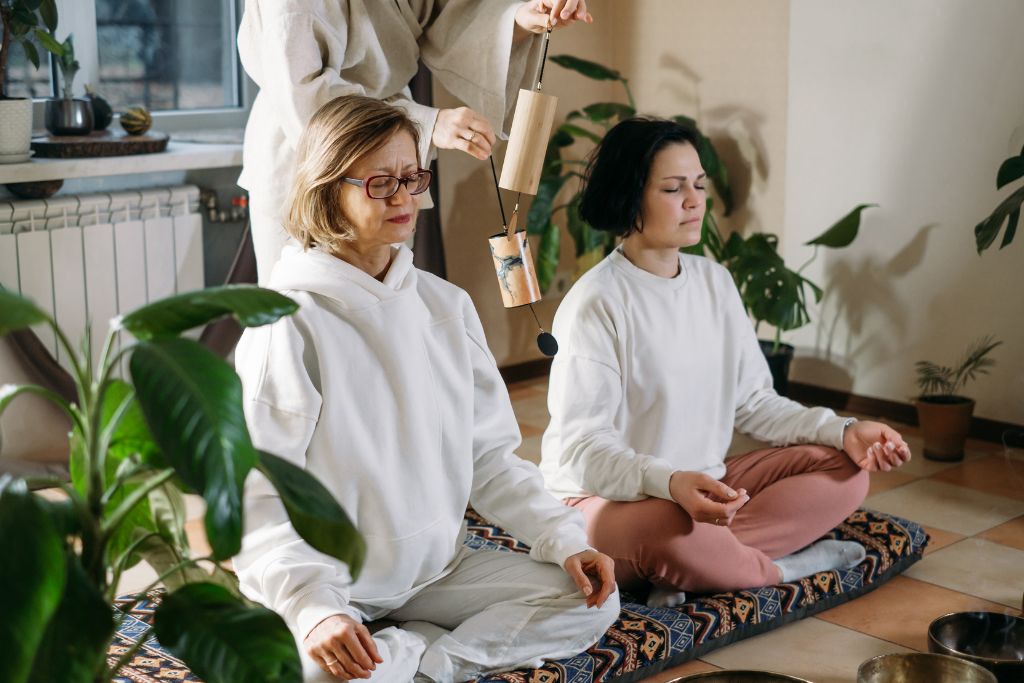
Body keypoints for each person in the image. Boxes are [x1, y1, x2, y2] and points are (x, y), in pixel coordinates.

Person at [233, 95, 619, 683]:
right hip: (336, 583)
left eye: (413, 177)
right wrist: (314, 612)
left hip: (441, 570)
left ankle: (423, 660)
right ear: (327, 188)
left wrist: (562, 537)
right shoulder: (286, 323)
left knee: (590, 597)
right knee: (313, 674)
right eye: (381, 182)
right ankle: (402, 652)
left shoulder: (445, 306)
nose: (405, 198)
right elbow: (256, 501)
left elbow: (489, 459)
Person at [538, 117, 913, 608]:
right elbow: (582, 450)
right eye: (674, 189)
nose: (695, 201)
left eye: (699, 185)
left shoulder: (715, 282)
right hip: (607, 503)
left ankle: (701, 565)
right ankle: (782, 568)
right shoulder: (597, 303)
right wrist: (668, 483)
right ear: (630, 198)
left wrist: (845, 430)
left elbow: (755, 403)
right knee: (667, 526)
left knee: (847, 468)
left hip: (704, 494)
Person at [237, 0, 593, 283]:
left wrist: (518, 17)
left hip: (393, 146)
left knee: (389, 298)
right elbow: (301, 93)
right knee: (306, 312)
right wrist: (425, 123)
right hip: (307, 152)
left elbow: (451, 14)